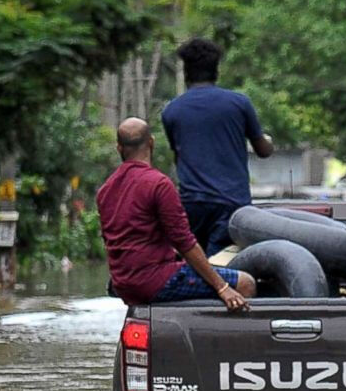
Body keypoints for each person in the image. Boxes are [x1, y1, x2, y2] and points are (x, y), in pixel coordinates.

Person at [96, 118, 255, 311]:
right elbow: (184, 242)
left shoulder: (106, 190)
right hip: (154, 281)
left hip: (122, 284)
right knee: (245, 283)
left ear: (119, 148)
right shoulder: (158, 184)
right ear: (151, 142)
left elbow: (118, 242)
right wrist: (221, 287)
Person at [161, 37, 274, 252]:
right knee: (224, 267)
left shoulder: (172, 111)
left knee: (196, 269)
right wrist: (268, 141)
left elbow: (179, 156)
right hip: (232, 205)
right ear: (216, 71)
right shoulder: (239, 104)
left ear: (186, 73)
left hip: (192, 205)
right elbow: (263, 150)